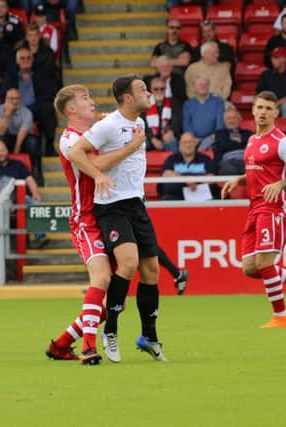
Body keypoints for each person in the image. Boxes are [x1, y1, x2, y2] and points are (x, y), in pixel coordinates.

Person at [46, 84, 152, 365]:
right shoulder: (69, 140)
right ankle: (90, 348)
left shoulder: (94, 132)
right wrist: (131, 146)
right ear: (71, 110)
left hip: (110, 213)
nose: (92, 103)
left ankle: (62, 344)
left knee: (113, 301)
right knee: (102, 278)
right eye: (85, 99)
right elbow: (99, 164)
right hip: (86, 219)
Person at [67, 74, 166, 363]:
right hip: (111, 207)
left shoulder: (139, 123)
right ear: (127, 98)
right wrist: (100, 173)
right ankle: (110, 330)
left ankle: (149, 336)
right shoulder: (108, 125)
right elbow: (77, 153)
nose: (148, 94)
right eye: (142, 90)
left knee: (152, 271)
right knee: (129, 263)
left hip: (136, 204)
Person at [221, 91, 286, 329]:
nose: (263, 112)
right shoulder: (252, 140)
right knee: (250, 268)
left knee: (265, 263)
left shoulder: (282, 142)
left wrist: (281, 184)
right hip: (253, 208)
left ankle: (281, 317)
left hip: (273, 209)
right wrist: (240, 180)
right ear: (252, 111)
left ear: (276, 112)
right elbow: (258, 172)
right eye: (259, 108)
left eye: (268, 108)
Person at [159, 132, 216, 201]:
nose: (188, 145)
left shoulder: (205, 158)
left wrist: (195, 180)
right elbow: (166, 174)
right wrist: (186, 180)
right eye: (185, 142)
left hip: (201, 197)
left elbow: (211, 177)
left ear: (195, 143)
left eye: (190, 142)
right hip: (176, 197)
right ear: (179, 144)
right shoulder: (172, 159)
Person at [256, 47, 286, 118]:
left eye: (275, 57)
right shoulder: (266, 75)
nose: (272, 60)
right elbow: (259, 93)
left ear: (284, 59)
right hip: (271, 104)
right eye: (272, 58)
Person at [213, 104, 251, 176]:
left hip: (245, 162)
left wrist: (230, 143)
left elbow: (250, 147)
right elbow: (224, 144)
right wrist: (240, 142)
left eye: (234, 118)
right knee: (229, 169)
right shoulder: (220, 133)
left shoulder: (247, 133)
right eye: (229, 118)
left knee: (253, 169)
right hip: (228, 163)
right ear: (224, 121)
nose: (231, 120)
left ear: (239, 119)